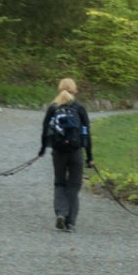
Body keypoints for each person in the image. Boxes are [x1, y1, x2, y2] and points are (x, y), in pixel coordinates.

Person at [39, 77, 93, 232]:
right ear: (74, 90)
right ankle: (70, 223)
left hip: (59, 152)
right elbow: (86, 133)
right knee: (74, 186)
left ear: (59, 89)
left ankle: (61, 213)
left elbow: (45, 130)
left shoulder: (53, 107)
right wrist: (90, 157)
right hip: (76, 152)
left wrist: (43, 149)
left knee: (60, 183)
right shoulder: (79, 108)